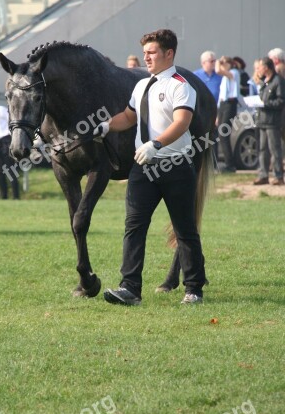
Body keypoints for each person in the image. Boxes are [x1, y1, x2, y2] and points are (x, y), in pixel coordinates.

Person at [94, 29, 207, 306]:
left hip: (176, 165)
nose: (146, 56)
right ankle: (130, 288)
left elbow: (181, 122)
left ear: (169, 54)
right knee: (134, 226)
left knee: (184, 228)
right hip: (143, 167)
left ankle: (193, 288)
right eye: (144, 52)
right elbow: (129, 116)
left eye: (152, 52)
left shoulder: (181, 85)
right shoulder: (142, 85)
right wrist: (107, 126)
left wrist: (155, 144)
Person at [253, 57, 285, 186]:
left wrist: (265, 104)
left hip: (273, 122)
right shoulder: (264, 81)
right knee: (262, 149)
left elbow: (280, 101)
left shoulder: (278, 81)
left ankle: (278, 176)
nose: (258, 69)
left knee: (274, 149)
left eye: (260, 67)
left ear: (266, 67)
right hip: (262, 120)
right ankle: (263, 175)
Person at [215, 56, 240, 173]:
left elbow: (217, 70)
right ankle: (228, 163)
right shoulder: (226, 76)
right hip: (223, 104)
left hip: (230, 104)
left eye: (223, 63)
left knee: (223, 134)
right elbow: (221, 96)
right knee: (221, 134)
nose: (221, 65)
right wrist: (217, 115)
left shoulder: (233, 72)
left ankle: (230, 164)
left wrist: (218, 62)